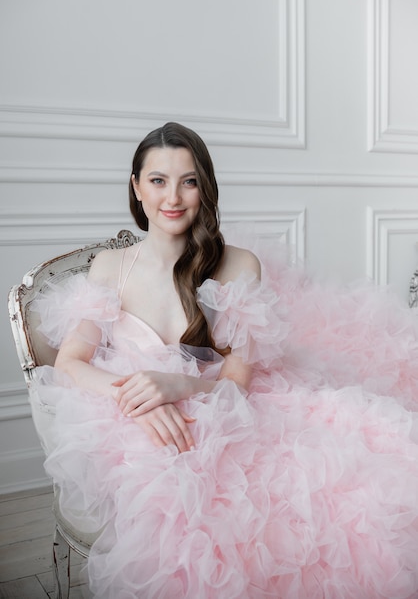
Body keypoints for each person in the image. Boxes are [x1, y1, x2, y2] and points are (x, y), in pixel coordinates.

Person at [32, 122, 418, 599]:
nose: (173, 197)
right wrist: (140, 394)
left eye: (189, 181)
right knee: (176, 506)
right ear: (135, 187)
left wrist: (180, 386)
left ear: (205, 188)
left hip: (230, 411)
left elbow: (237, 381)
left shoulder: (239, 265)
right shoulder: (112, 268)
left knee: (342, 491)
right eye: (157, 180)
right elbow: (70, 362)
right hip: (143, 421)